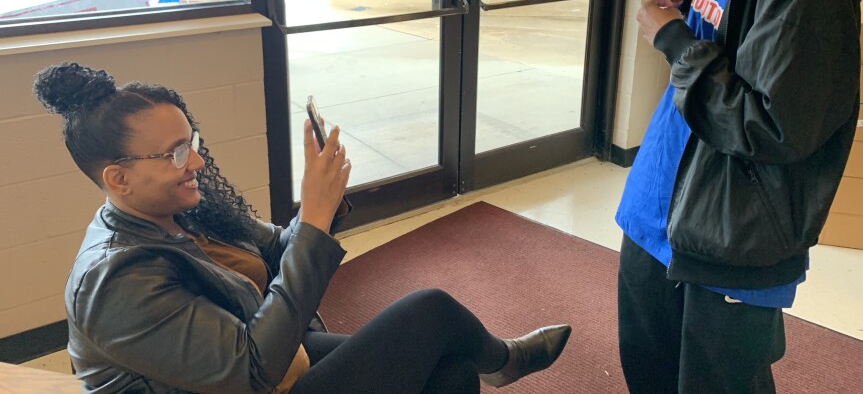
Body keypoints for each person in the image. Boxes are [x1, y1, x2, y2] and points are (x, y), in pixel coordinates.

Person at [34, 62, 571, 393]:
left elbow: (278, 250)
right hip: (257, 377)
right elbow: (250, 369)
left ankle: (497, 364)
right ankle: (505, 363)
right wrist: (313, 220)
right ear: (118, 179)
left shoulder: (185, 212)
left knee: (451, 370)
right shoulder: (115, 280)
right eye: (175, 153)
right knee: (429, 312)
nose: (195, 162)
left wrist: (322, 204)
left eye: (191, 143)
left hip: (280, 361)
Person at [611, 0, 862, 393]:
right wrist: (687, 5)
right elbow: (728, 44)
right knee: (648, 371)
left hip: (734, 234)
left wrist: (671, 39)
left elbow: (772, 123)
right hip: (658, 206)